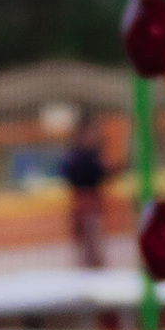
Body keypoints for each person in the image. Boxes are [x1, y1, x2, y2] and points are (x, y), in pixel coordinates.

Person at [58, 106, 111, 270]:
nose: (96, 135)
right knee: (88, 246)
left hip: (90, 204)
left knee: (92, 246)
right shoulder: (79, 157)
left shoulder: (87, 155)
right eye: (92, 132)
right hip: (85, 204)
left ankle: (92, 269)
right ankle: (89, 271)